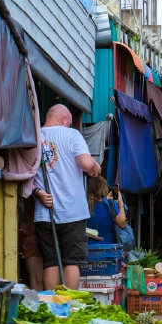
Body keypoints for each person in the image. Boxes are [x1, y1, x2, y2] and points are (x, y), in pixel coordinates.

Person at [31, 105, 102, 290]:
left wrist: (37, 192)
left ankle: (51, 308)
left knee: (51, 261)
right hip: (72, 211)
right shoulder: (72, 135)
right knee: (72, 261)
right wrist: (95, 168)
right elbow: (86, 163)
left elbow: (23, 172)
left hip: (45, 213)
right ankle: (69, 307)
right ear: (64, 119)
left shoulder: (34, 136)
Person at [86, 176, 128, 246]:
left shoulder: (84, 205)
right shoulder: (109, 204)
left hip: (88, 248)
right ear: (104, 188)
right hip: (108, 248)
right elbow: (122, 224)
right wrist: (120, 203)